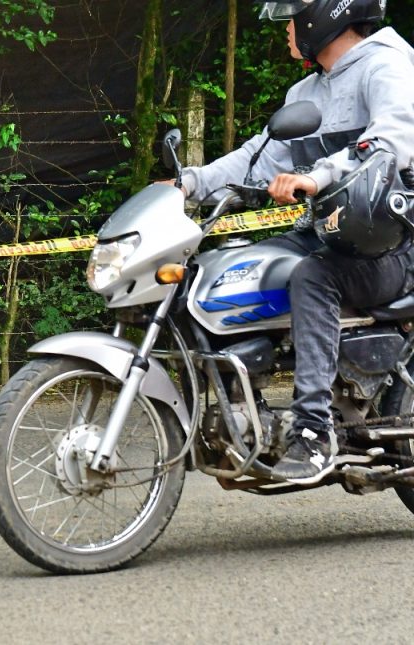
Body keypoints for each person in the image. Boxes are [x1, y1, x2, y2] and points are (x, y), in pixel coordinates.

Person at [170, 1, 414, 483]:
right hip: (336, 236)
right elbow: (258, 159)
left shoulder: (386, 65)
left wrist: (317, 177)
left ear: (325, 15)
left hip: (397, 245)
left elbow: (393, 140)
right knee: (225, 269)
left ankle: (313, 430)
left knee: (314, 278)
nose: (286, 30)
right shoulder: (305, 92)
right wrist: (188, 186)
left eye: (291, 19)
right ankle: (239, 413)